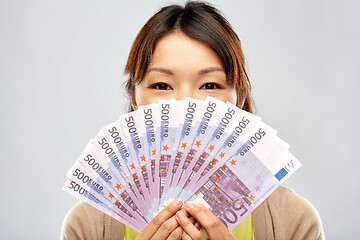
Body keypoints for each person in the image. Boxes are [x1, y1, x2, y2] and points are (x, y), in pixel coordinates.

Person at [61, 1, 324, 239]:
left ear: (240, 98)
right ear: (134, 97)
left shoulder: (293, 222)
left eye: (210, 84)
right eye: (162, 86)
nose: (185, 105)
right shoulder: (89, 226)